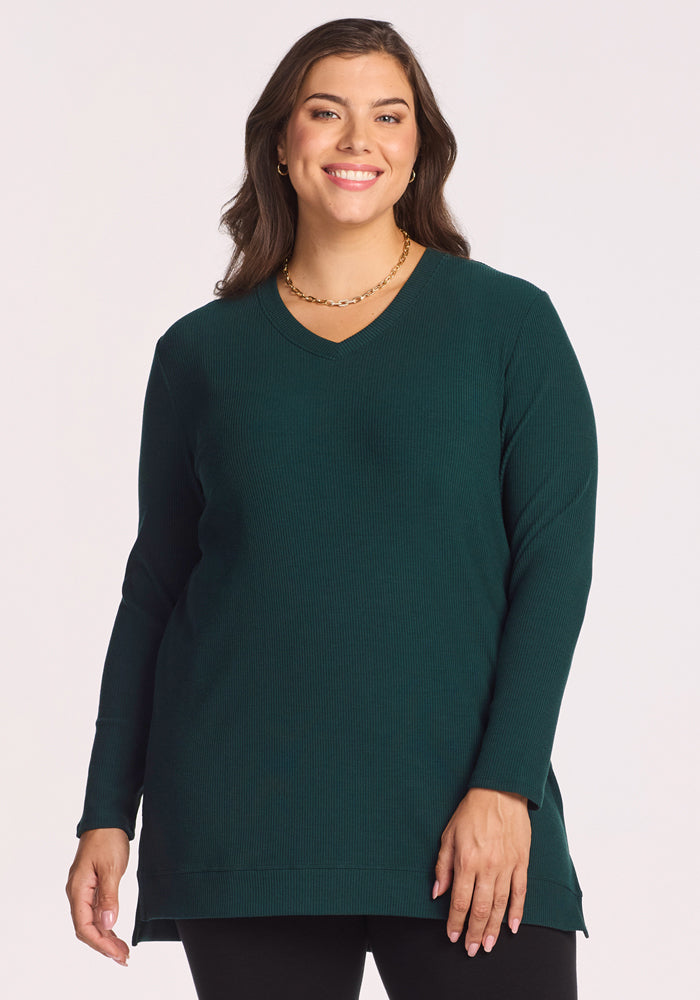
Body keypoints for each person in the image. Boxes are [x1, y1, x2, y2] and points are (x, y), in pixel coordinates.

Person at [66, 17, 597, 1000]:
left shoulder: (507, 325)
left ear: (419, 147)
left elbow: (553, 569)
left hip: (461, 816)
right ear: (281, 141)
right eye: (326, 112)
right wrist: (107, 811)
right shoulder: (200, 353)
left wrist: (506, 785)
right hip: (243, 816)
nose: (359, 140)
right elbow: (156, 589)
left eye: (388, 116)